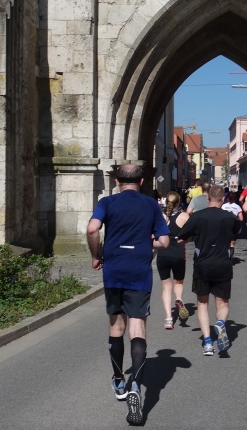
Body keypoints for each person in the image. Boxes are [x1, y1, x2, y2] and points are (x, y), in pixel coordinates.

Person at [86, 164, 170, 425]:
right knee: (137, 327)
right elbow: (164, 242)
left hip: (114, 268)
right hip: (139, 270)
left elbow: (92, 229)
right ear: (142, 181)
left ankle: (119, 380)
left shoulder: (107, 202)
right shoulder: (151, 204)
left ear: (116, 181)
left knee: (116, 326)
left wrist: (96, 255)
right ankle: (136, 386)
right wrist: (145, 242)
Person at [178, 185, 241, 355]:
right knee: (223, 303)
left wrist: (193, 236)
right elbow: (237, 231)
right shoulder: (230, 217)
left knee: (202, 304)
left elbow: (181, 239)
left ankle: (207, 342)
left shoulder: (198, 217)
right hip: (223, 263)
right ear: (223, 199)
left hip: (203, 264)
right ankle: (221, 323)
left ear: (207, 198)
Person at [157, 191, 191, 330]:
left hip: (163, 254)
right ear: (179, 202)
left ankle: (168, 319)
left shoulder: (161, 217)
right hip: (178, 254)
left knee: (166, 287)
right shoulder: (184, 216)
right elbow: (190, 236)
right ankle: (179, 299)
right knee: (178, 282)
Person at [221, 191, 244, 259]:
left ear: (227, 198)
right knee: (232, 243)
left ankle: (224, 257)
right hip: (234, 225)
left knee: (225, 242)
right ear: (235, 198)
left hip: (225, 225)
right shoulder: (237, 207)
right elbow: (241, 219)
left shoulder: (223, 206)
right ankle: (230, 258)